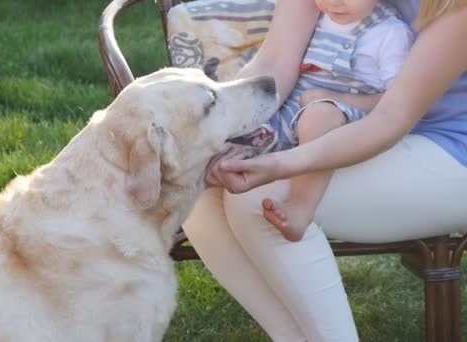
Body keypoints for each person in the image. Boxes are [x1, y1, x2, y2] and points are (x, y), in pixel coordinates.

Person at [183, 0, 467, 340]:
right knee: (201, 186)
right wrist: (216, 136)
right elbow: (274, 63)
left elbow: (392, 117)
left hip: (450, 148)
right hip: (362, 122)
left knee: (261, 199)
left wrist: (276, 164)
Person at [254, 0, 414, 241]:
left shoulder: (389, 33)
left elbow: (397, 102)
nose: (335, 2)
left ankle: (301, 206)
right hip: (293, 108)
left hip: (350, 117)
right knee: (249, 132)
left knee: (319, 116)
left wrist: (334, 97)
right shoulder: (316, 18)